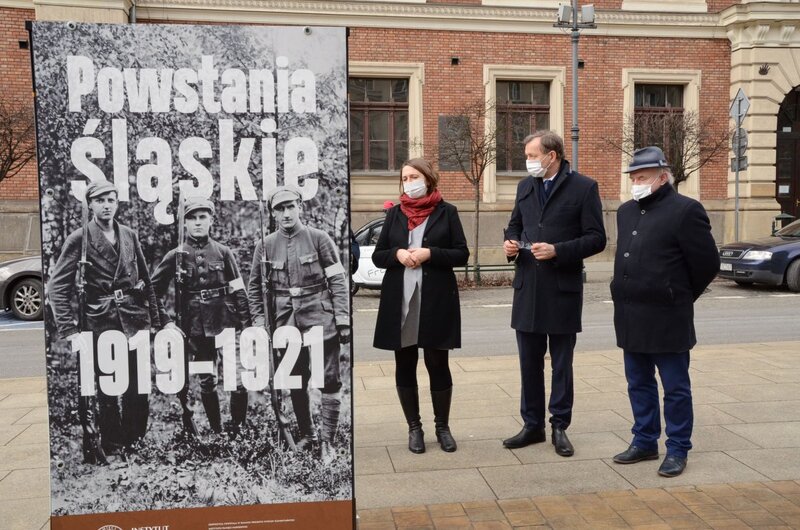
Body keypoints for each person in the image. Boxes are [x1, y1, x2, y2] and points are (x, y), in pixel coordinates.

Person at [610, 146, 719, 477]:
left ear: (662, 177)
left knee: (675, 387)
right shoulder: (626, 211)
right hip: (630, 315)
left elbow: (707, 263)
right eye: (633, 178)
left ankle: (677, 448)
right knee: (638, 382)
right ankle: (644, 440)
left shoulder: (686, 210)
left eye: (642, 177)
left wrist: (678, 294)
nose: (636, 183)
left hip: (668, 317)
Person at [502, 130, 606, 457]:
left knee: (561, 364)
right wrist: (510, 243)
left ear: (552, 156)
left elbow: (597, 238)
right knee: (528, 363)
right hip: (528, 288)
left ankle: (559, 426)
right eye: (527, 156)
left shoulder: (584, 187)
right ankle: (532, 425)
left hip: (562, 289)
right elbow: (515, 225)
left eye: (532, 156)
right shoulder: (525, 186)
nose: (528, 162)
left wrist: (558, 250)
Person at [48, 179, 162, 463]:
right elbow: (56, 287)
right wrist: (70, 330)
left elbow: (146, 280)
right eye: (100, 201)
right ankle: (112, 444)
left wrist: (157, 320)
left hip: (134, 318)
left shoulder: (129, 235)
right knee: (109, 386)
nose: (106, 205)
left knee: (138, 385)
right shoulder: (80, 238)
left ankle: (135, 441)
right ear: (91, 205)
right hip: (101, 321)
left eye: (111, 200)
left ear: (117, 203)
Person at [372, 158, 469, 454]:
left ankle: (443, 427)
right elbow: (378, 256)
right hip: (400, 300)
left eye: (414, 177)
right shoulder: (394, 214)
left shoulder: (447, 212)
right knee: (405, 363)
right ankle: (414, 427)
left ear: (428, 179)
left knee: (437, 362)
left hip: (436, 300)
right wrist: (398, 254)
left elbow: (461, 254)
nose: (408, 183)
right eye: (404, 178)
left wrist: (430, 253)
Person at [247, 185, 350, 461]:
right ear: (273, 213)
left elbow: (337, 280)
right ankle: (308, 434)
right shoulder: (265, 245)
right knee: (295, 378)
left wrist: (342, 320)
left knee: (329, 379)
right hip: (285, 323)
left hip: (320, 318)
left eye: (290, 206)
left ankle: (327, 442)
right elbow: (254, 288)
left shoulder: (319, 238)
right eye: (280, 209)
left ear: (300, 207)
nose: (286, 213)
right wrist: (260, 321)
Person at [151, 198, 251, 437]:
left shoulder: (223, 252)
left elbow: (239, 289)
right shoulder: (175, 255)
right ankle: (217, 431)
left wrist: (247, 324)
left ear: (211, 220)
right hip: (195, 328)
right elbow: (152, 291)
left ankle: (238, 432)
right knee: (207, 380)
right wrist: (166, 321)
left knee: (238, 380)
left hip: (226, 322)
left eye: (202, 217)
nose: (197, 223)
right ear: (184, 223)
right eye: (192, 218)